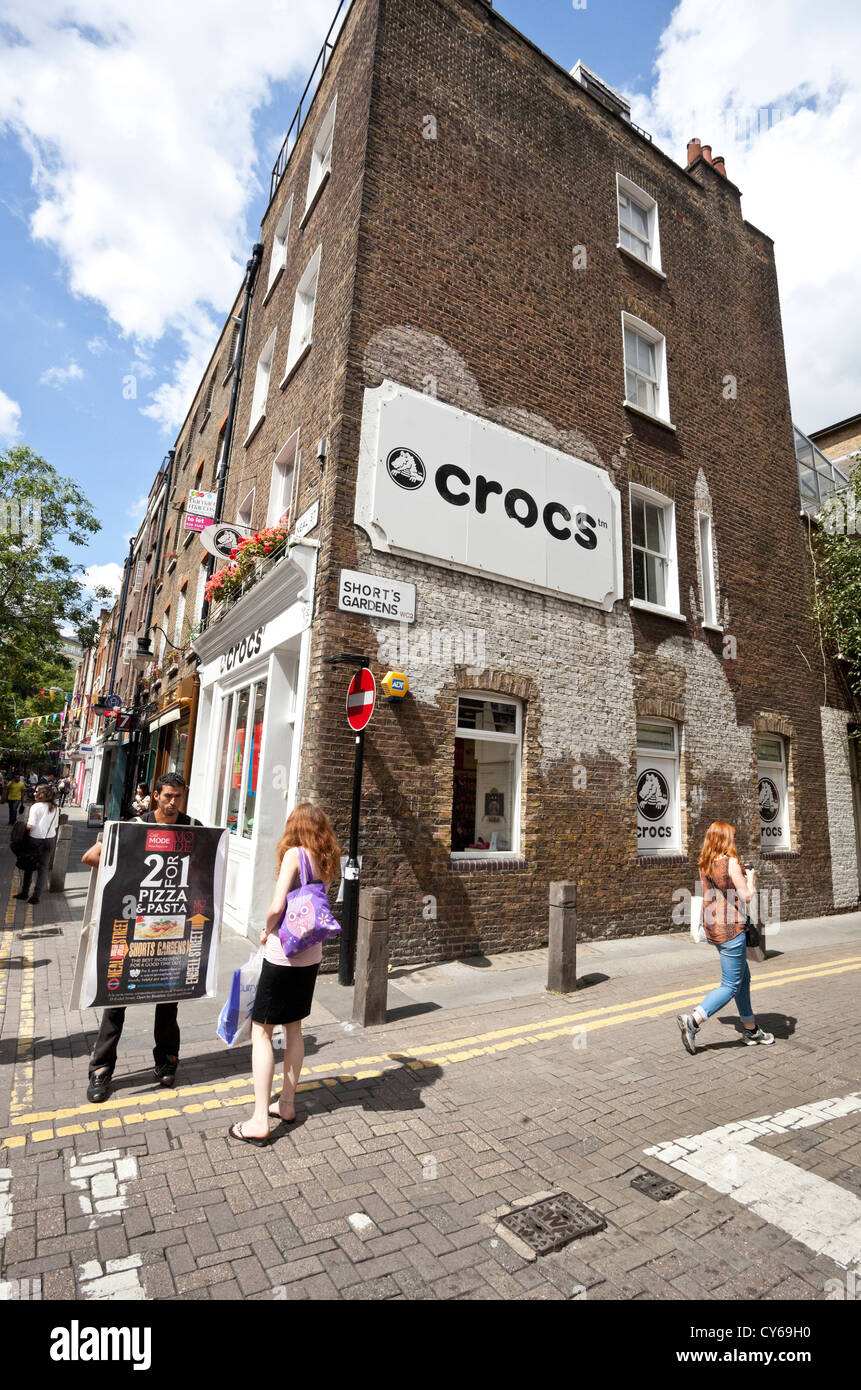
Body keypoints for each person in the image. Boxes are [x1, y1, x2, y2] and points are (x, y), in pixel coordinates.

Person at [83, 772, 202, 1104]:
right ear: (155, 795)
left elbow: (207, 873)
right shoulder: (134, 827)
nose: (172, 802)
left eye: (178, 796)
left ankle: (167, 1062)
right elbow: (90, 858)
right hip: (132, 930)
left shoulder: (193, 828)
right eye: (166, 796)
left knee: (168, 1002)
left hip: (172, 931)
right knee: (115, 1003)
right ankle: (101, 1071)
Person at [229, 803, 341, 1147]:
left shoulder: (295, 854)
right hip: (310, 957)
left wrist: (265, 930)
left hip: (283, 956)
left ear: (295, 827)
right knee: (295, 1028)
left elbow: (278, 907)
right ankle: (287, 1104)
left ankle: (260, 1119)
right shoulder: (325, 859)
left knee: (262, 1032)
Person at [677, 820, 774, 1054]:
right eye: (731, 837)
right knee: (730, 985)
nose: (733, 841)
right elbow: (747, 896)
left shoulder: (706, 863)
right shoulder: (730, 863)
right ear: (724, 840)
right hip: (731, 930)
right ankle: (694, 1020)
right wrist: (750, 876)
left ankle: (750, 1029)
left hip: (714, 928)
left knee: (743, 978)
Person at [14, 783, 60, 905]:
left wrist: (21, 826)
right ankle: (36, 896)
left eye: (36, 791)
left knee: (29, 866)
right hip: (50, 840)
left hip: (35, 840)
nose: (34, 793)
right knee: (43, 869)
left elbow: (31, 826)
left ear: (42, 794)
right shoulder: (55, 808)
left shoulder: (36, 807)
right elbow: (55, 825)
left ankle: (24, 893)